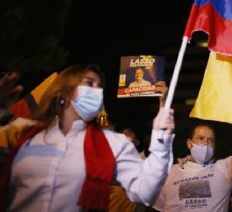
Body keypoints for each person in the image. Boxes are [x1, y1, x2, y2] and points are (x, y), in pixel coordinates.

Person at [0, 63, 175, 212]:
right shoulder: (21, 132)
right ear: (66, 90)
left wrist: (162, 139)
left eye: (99, 88)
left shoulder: (112, 143)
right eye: (89, 84)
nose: (96, 92)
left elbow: (145, 192)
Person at [152, 122, 232, 212]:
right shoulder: (169, 173)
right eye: (200, 138)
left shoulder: (224, 169)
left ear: (215, 146)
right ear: (189, 143)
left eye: (211, 141)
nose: (206, 144)